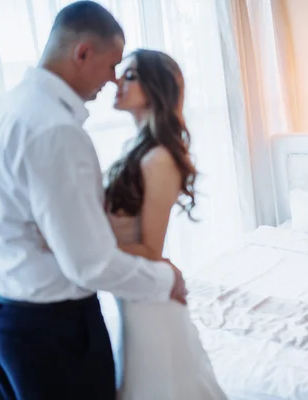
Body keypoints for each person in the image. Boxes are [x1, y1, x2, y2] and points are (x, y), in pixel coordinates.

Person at [0, 2, 186, 399]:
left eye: (126, 73)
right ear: (83, 52)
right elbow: (91, 262)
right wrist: (165, 279)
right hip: (46, 328)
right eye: (111, 66)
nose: (112, 80)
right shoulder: (56, 130)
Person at [107, 49, 226, 400]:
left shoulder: (159, 157)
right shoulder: (135, 148)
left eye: (130, 76)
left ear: (155, 88)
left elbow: (149, 249)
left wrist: (76, 243)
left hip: (148, 304)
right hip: (130, 294)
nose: (117, 81)